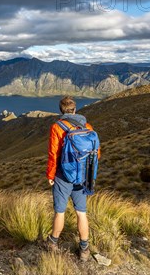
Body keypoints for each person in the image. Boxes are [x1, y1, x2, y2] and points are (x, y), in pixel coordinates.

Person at [45, 96, 100, 261]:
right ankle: (84, 249)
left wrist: (50, 174)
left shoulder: (57, 127)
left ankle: (53, 243)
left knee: (60, 212)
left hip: (63, 175)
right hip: (83, 177)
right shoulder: (87, 127)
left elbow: (53, 154)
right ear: (75, 110)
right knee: (81, 212)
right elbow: (96, 153)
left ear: (61, 111)